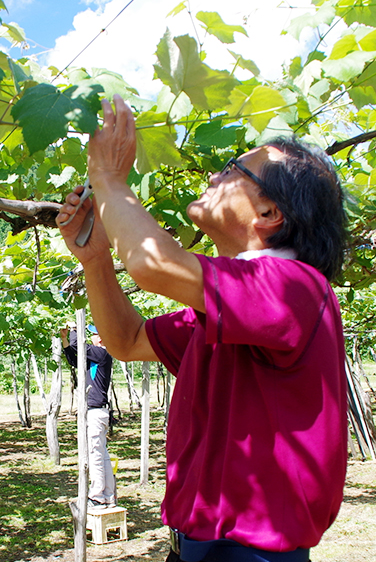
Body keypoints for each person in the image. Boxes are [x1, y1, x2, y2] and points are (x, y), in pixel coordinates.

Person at [56, 94, 347, 562]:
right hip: (195, 548)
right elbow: (127, 341)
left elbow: (155, 266)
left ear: (270, 214)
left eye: (233, 170)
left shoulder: (294, 288)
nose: (214, 175)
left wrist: (108, 178)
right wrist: (95, 261)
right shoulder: (226, 311)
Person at [60, 325, 116, 508]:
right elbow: (75, 360)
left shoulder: (102, 353)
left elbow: (79, 346)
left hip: (95, 412)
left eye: (92, 334)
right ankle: (107, 495)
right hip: (96, 412)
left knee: (95, 455)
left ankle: (97, 497)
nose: (90, 337)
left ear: (100, 338)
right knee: (101, 453)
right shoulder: (96, 357)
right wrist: (65, 340)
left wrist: (75, 328)